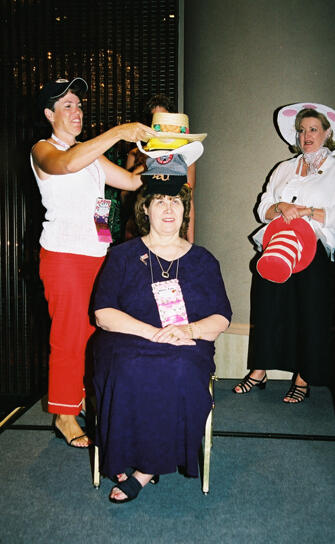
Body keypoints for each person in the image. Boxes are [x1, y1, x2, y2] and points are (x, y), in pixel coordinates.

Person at [92, 145, 231, 503]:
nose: (169, 209)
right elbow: (103, 314)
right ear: (145, 210)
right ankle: (125, 452)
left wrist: (188, 331)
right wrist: (153, 333)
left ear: (185, 211)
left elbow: (221, 317)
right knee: (125, 366)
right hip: (128, 337)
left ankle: (144, 469)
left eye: (176, 202)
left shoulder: (204, 260)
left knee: (180, 367)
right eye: (159, 202)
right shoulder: (121, 256)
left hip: (187, 342)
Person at [30, 77, 156, 447]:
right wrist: (119, 131)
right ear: (49, 114)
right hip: (64, 257)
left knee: (94, 331)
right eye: (66, 105)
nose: (76, 111)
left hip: (97, 255)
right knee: (68, 335)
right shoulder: (43, 149)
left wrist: (166, 156)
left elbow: (132, 183)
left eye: (79, 104)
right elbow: (66, 164)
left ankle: (81, 397)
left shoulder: (91, 154)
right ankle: (63, 414)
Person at [233, 102, 335, 402]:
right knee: (267, 304)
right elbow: (263, 206)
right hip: (277, 245)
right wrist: (281, 207)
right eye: (302, 130)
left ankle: (304, 376)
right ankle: (259, 370)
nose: (306, 135)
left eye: (313, 129)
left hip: (314, 248)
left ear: (327, 133)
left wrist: (308, 212)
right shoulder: (284, 168)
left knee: (310, 311)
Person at [123, 94, 197, 242]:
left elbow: (188, 199)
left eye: (166, 121)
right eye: (157, 123)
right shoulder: (135, 154)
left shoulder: (184, 156)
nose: (162, 128)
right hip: (139, 226)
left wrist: (191, 242)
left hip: (170, 228)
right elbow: (125, 195)